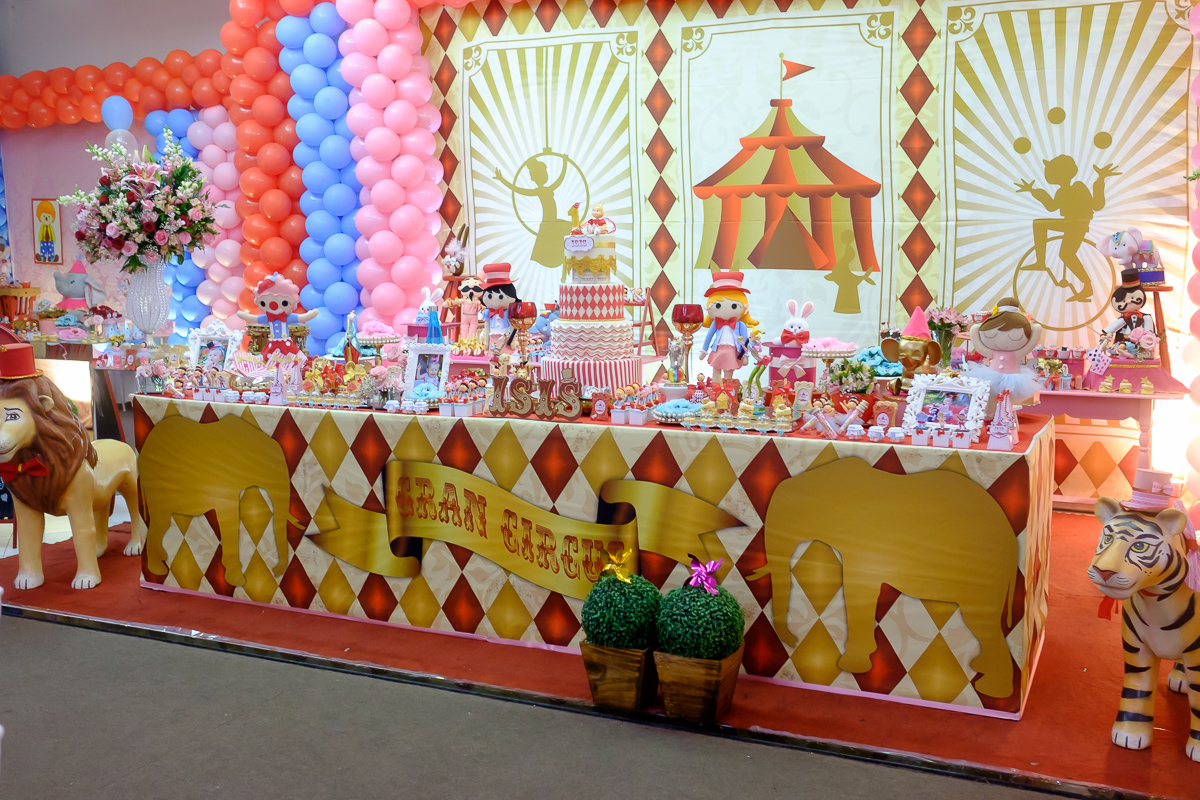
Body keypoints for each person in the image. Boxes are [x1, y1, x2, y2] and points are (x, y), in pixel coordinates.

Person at [1016, 155, 1120, 302]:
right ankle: (1042, 263)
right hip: (1069, 224)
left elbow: (1096, 205)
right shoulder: (1061, 192)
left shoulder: (1078, 186)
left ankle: (1086, 286)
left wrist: (1100, 179)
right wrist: (1034, 191)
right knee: (1062, 251)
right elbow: (1051, 206)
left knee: (1065, 254)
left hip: (1078, 225)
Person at [964, 296, 1042, 406]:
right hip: (991, 375)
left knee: (1007, 398)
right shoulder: (998, 352)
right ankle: (990, 414)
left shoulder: (1014, 353)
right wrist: (975, 331)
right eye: (992, 335)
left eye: (1014, 337)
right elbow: (979, 346)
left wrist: (1036, 332)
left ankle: (1006, 415)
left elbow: (1028, 346)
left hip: (1012, 378)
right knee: (989, 395)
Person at [236, 274, 319, 357]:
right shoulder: (268, 318)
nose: (273, 305)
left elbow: (301, 318)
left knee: (290, 358)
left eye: (284, 303)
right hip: (272, 345)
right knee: (269, 359)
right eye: (263, 303)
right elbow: (255, 318)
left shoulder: (288, 318)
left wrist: (310, 315)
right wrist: (244, 316)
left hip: (286, 344)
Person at [699, 271, 758, 382]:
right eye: (718, 305)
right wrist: (704, 350)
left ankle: (727, 392)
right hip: (717, 349)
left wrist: (745, 355)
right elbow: (709, 337)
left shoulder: (741, 325)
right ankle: (716, 390)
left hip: (732, 350)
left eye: (735, 305)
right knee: (716, 369)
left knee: (728, 372)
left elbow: (745, 340)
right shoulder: (715, 323)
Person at [479, 263, 519, 354]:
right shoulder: (487, 312)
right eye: (489, 296)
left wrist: (512, 340)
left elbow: (513, 326)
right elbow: (487, 326)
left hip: (506, 338)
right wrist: (486, 341)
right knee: (492, 361)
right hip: (492, 339)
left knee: (505, 360)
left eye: (501, 297)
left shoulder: (509, 312)